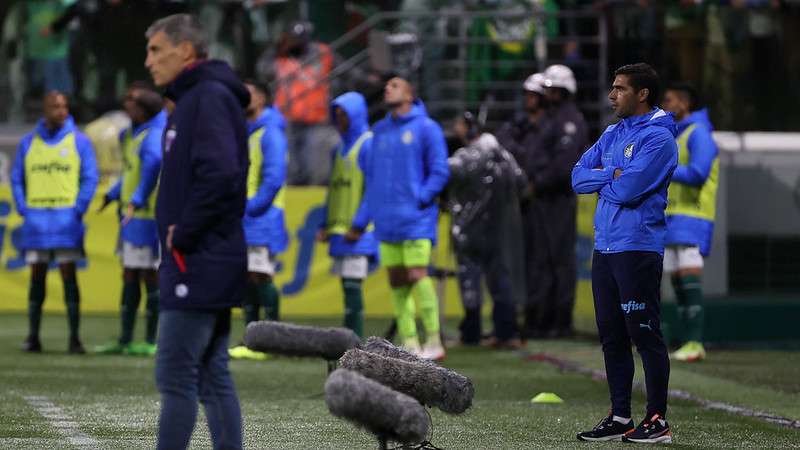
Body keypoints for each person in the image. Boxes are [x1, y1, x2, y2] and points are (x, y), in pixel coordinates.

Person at [145, 14, 248, 450]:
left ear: (185, 50)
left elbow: (222, 174)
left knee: (175, 373)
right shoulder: (199, 97)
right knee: (211, 374)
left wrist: (184, 232)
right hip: (208, 256)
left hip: (198, 257)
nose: (148, 61)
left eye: (155, 49)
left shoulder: (205, 97)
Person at [572, 63, 677, 444]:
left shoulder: (659, 138)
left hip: (638, 247)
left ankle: (657, 419)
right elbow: (577, 176)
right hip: (606, 247)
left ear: (642, 94)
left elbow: (630, 190)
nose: (611, 95)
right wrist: (612, 175)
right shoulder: (614, 133)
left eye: (619, 89)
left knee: (644, 334)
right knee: (612, 337)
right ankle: (620, 416)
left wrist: (611, 178)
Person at [362, 76, 449, 360]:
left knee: (417, 274)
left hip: (416, 219)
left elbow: (439, 170)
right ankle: (410, 343)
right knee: (397, 281)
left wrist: (420, 199)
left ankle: (434, 340)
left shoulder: (426, 128)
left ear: (410, 93)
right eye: (387, 86)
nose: (388, 88)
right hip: (387, 221)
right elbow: (372, 176)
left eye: (395, 85)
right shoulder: (380, 130)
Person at [11, 91, 98, 354]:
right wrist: (24, 207)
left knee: (68, 276)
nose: (61, 110)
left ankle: (75, 338)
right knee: (36, 277)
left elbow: (89, 177)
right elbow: (17, 178)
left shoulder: (79, 142)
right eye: (55, 106)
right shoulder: (28, 143)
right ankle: (33, 336)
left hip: (65, 221)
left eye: (64, 106)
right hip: (36, 221)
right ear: (44, 110)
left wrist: (79, 208)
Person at [94, 82, 166, 356]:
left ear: (143, 109)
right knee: (130, 273)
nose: (127, 106)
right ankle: (126, 338)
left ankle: (149, 339)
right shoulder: (132, 135)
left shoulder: (153, 136)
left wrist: (136, 200)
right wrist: (114, 194)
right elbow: (131, 171)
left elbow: (151, 169)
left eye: (132, 102)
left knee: (148, 275)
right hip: (132, 217)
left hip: (147, 216)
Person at [448, 111, 527, 349]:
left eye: (459, 124)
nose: (456, 129)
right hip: (500, 229)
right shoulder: (503, 153)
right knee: (501, 280)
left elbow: (444, 173)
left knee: (469, 280)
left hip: (469, 231)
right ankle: (507, 332)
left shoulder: (466, 156)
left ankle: (471, 333)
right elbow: (521, 180)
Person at [229, 79, 288, 361]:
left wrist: (252, 207)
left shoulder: (271, 132)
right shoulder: (245, 131)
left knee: (261, 274)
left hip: (261, 216)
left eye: (249, 92)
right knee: (246, 276)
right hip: (245, 215)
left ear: (263, 98)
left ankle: (273, 340)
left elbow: (274, 177)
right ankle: (253, 339)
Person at [661, 83, 719, 363]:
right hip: (672, 217)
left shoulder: (700, 134)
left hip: (693, 216)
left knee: (688, 277)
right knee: (678, 282)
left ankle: (696, 341)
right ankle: (687, 341)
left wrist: (665, 167)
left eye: (669, 99)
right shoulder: (677, 135)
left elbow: (698, 173)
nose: (665, 104)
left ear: (684, 103)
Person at [316, 91, 379, 338]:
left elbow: (374, 190)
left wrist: (359, 224)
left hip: (358, 232)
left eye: (345, 115)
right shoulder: (339, 149)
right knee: (347, 286)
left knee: (353, 286)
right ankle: (349, 340)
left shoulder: (369, 144)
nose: (340, 120)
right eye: (337, 115)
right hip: (340, 231)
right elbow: (332, 191)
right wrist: (324, 223)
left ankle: (355, 341)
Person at [260, 21, 335, 185]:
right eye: (293, 39)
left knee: (316, 170)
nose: (297, 43)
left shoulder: (322, 52)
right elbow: (262, 72)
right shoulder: (278, 56)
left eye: (300, 39)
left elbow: (347, 72)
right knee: (290, 169)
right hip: (286, 119)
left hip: (316, 119)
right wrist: (279, 49)